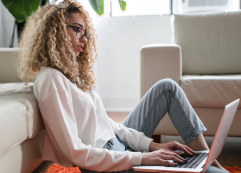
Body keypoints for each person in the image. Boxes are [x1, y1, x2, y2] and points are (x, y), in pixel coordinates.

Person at [15, 0, 228, 173]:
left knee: (167, 88)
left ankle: (206, 159)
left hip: (118, 147)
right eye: (77, 30)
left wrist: (151, 146)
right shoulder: (51, 79)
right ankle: (207, 166)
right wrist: (142, 158)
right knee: (198, 170)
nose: (84, 39)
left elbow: (108, 124)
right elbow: (74, 152)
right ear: (56, 31)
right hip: (106, 162)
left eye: (85, 32)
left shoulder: (73, 74)